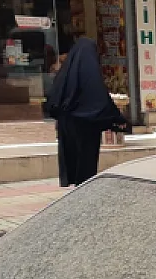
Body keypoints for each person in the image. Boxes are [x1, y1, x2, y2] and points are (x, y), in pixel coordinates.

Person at [45, 38, 129, 187]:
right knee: (86, 165)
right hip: (86, 126)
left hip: (66, 124)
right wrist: (117, 118)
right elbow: (99, 98)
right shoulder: (90, 72)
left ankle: (72, 188)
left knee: (71, 160)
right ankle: (83, 191)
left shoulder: (65, 73)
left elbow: (53, 99)